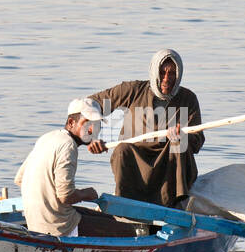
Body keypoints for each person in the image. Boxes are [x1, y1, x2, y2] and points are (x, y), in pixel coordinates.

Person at [86, 49, 204, 207]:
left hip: (169, 164)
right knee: (123, 149)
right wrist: (94, 138)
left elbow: (197, 142)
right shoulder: (133, 91)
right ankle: (125, 206)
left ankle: (175, 205)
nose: (167, 79)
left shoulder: (188, 99)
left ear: (179, 74)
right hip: (137, 161)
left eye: (172, 73)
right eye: (162, 73)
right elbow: (92, 103)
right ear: (154, 71)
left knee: (178, 144)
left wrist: (182, 136)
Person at [13, 98, 136, 238]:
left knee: (109, 219)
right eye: (87, 123)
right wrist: (86, 194)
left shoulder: (47, 137)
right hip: (58, 227)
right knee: (128, 231)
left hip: (35, 221)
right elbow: (66, 196)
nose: (92, 129)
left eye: (97, 125)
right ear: (71, 123)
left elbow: (20, 179)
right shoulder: (68, 146)